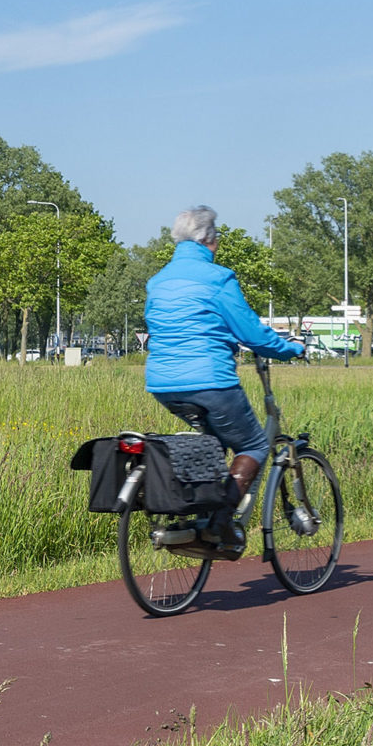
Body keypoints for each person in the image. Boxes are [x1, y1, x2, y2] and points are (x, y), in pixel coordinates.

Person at [142, 205, 305, 547]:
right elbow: (253, 334)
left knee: (213, 444)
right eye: (217, 238)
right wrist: (291, 349)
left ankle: (202, 513)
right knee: (254, 445)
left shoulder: (157, 282)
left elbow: (163, 326)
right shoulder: (218, 279)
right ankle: (218, 524)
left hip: (162, 383)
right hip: (210, 382)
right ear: (208, 240)